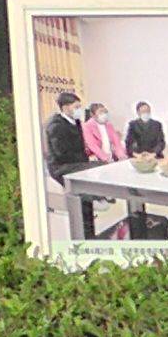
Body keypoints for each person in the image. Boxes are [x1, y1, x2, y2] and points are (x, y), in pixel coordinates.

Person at [44, 91, 100, 233]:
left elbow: (81, 148)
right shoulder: (55, 125)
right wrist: (85, 165)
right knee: (92, 173)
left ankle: (89, 228)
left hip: (76, 163)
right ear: (65, 107)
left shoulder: (76, 122)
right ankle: (85, 229)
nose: (79, 110)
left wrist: (87, 161)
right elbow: (61, 153)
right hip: (61, 166)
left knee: (97, 168)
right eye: (76, 107)